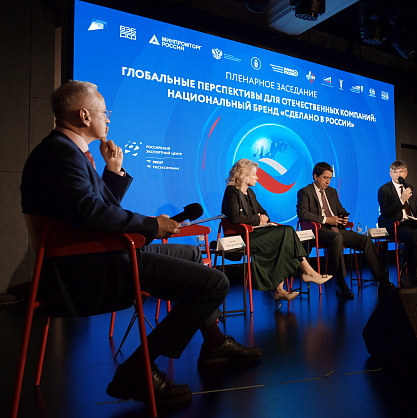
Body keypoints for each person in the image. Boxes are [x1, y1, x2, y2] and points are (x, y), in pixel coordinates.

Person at [20, 81, 261, 408]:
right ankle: (138, 369)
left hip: (102, 253)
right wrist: (151, 225)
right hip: (90, 267)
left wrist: (112, 171)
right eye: (104, 112)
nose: (108, 119)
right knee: (216, 283)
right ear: (84, 115)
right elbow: (90, 213)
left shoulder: (66, 152)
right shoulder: (59, 153)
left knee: (193, 254)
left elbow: (93, 210)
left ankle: (215, 342)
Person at [221, 159, 331, 301]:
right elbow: (235, 218)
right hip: (243, 237)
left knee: (286, 235)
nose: (257, 177)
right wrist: (257, 219)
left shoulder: (250, 193)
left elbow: (264, 213)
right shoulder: (231, 191)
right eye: (254, 175)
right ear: (244, 176)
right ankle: (306, 272)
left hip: (255, 233)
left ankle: (282, 288)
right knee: (287, 232)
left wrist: (261, 218)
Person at [298, 162, 396, 298]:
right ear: (316, 176)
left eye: (330, 178)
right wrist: (326, 220)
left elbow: (341, 210)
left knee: (365, 240)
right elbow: (302, 214)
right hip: (319, 230)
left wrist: (343, 217)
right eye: (325, 178)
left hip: (336, 229)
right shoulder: (305, 192)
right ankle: (341, 282)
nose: (328, 181)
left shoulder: (332, 192)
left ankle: (383, 280)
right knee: (337, 238)